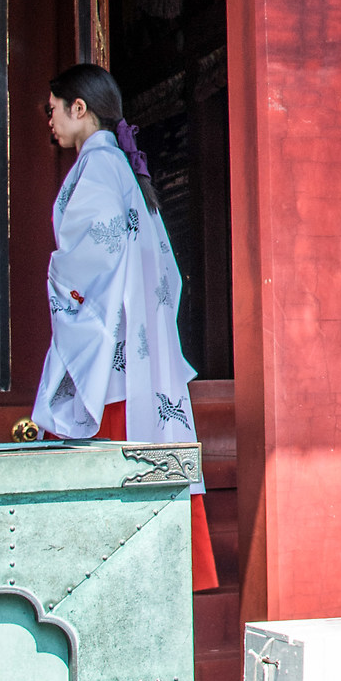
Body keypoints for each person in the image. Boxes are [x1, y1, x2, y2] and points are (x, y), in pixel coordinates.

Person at [33, 64, 217, 590]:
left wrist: (55, 273)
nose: (49, 121)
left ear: (79, 108)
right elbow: (163, 269)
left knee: (101, 452)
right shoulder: (124, 170)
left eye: (53, 109)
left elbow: (91, 255)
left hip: (111, 349)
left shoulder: (98, 168)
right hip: (142, 345)